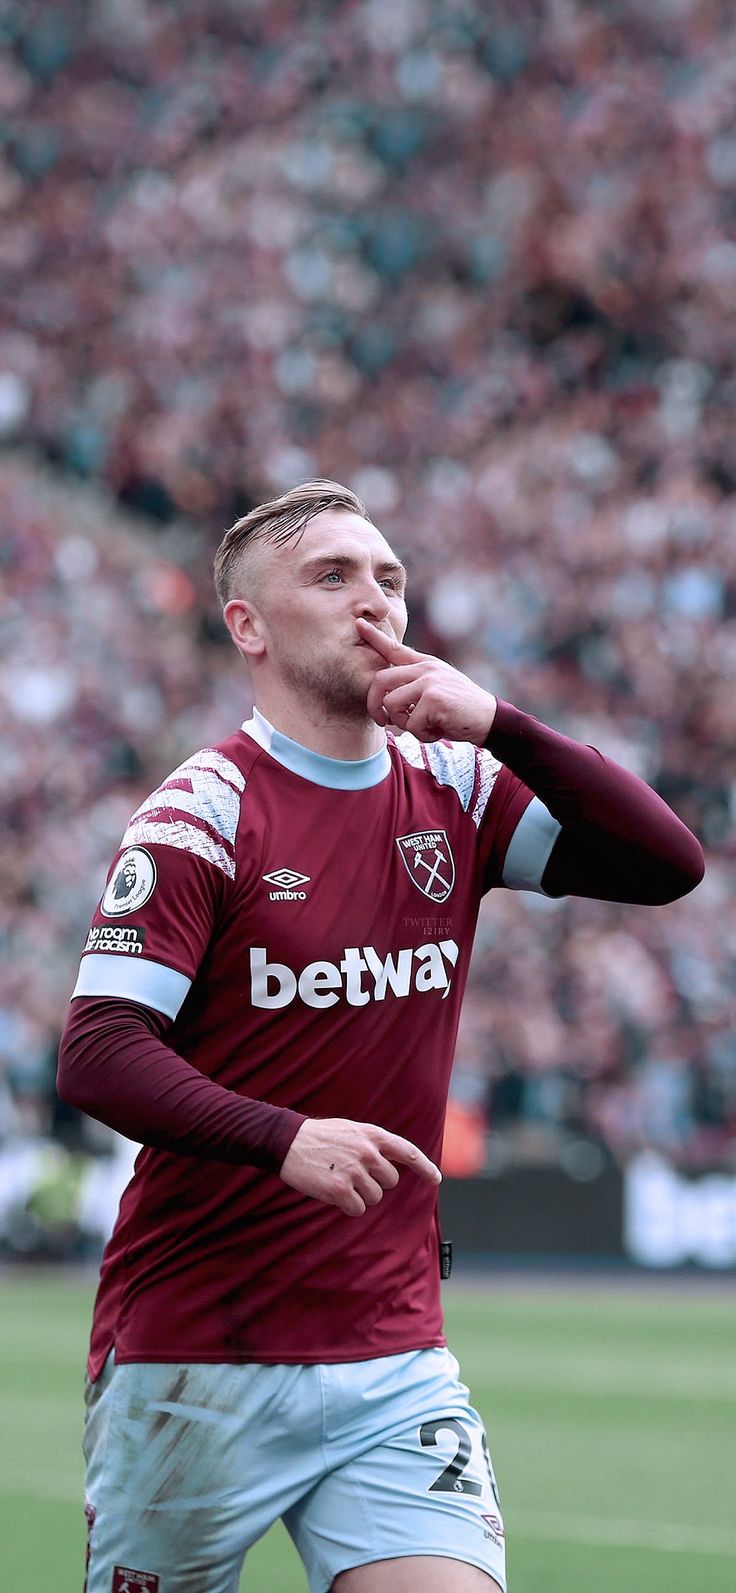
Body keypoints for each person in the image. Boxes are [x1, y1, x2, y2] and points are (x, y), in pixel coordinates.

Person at [58, 478, 704, 1593]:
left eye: (390, 579)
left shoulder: (452, 785)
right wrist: (282, 1138)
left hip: (391, 1353)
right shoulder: (199, 813)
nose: (377, 604)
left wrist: (501, 723)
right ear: (247, 627)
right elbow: (99, 1050)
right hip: (194, 1357)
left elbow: (666, 865)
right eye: (334, 576)